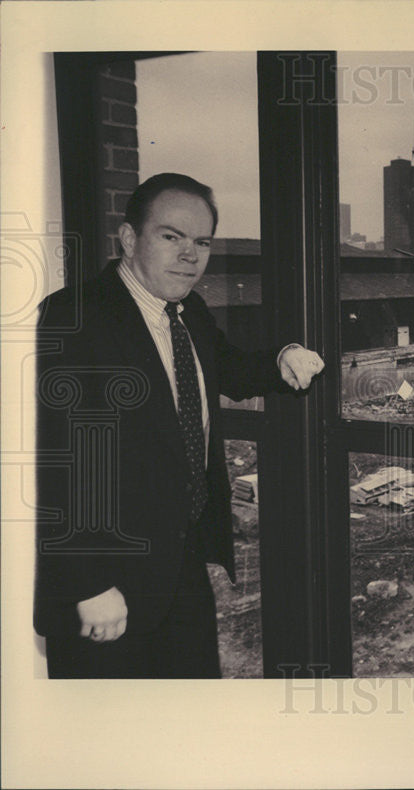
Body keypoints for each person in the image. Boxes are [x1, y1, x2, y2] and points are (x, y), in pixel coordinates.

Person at [34, 173, 324, 678]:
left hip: (181, 565)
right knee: (111, 743)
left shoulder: (188, 310)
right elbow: (58, 461)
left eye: (202, 242)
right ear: (129, 240)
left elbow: (227, 366)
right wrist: (88, 583)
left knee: (191, 727)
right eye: (171, 237)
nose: (190, 255)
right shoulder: (75, 316)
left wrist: (282, 358)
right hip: (109, 581)